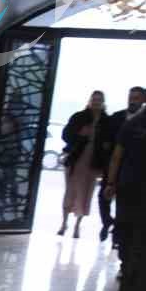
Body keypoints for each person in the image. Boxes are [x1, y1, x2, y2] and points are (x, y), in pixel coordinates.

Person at [108, 82, 146, 278]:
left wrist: (111, 183)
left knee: (125, 223)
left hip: (128, 182)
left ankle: (125, 263)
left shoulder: (132, 123)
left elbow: (117, 156)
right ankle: (143, 266)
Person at [59, 90, 114, 238]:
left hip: (93, 162)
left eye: (99, 100)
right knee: (70, 191)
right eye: (94, 99)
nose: (96, 102)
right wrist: (79, 135)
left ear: (103, 102)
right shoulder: (79, 117)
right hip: (76, 159)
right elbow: (66, 135)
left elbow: (110, 141)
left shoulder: (106, 121)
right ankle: (64, 223)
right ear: (90, 100)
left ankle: (77, 225)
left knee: (86, 193)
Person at [103, 85, 146, 243]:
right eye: (131, 98)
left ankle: (120, 235)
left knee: (126, 206)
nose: (132, 101)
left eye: (136, 98)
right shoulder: (118, 117)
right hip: (116, 167)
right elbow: (109, 143)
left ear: (144, 100)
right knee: (105, 199)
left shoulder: (143, 121)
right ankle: (109, 224)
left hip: (134, 172)